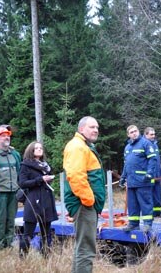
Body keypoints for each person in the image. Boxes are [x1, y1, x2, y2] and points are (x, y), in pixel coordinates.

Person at [63, 116, 106, 273]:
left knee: (82, 248)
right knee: (86, 250)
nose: (96, 130)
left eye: (97, 127)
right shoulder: (77, 147)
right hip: (84, 205)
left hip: (85, 205)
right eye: (91, 127)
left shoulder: (84, 146)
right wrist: (89, 201)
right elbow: (75, 176)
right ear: (81, 129)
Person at [19, 141, 57, 258]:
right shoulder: (25, 165)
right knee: (28, 233)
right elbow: (22, 183)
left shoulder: (45, 165)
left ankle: (46, 257)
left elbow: (46, 179)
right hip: (33, 201)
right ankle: (22, 258)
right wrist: (40, 179)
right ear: (31, 150)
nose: (40, 150)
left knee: (46, 233)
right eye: (36, 148)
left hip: (46, 200)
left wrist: (49, 178)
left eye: (41, 148)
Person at [120, 125, 156, 232]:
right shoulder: (127, 148)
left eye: (135, 131)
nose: (134, 133)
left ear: (138, 131)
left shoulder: (146, 143)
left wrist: (149, 173)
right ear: (128, 135)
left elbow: (152, 159)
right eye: (131, 132)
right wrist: (123, 177)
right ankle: (133, 224)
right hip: (131, 182)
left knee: (145, 203)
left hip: (143, 180)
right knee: (132, 205)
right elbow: (127, 165)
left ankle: (147, 224)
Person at [144, 127, 161, 218]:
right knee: (149, 194)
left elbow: (157, 161)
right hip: (149, 175)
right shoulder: (144, 145)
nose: (153, 136)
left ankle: (157, 211)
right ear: (146, 135)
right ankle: (150, 212)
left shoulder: (155, 145)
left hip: (157, 175)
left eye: (154, 134)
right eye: (151, 134)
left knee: (157, 194)